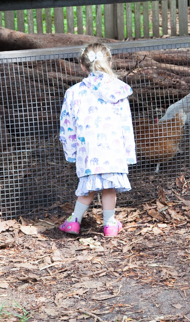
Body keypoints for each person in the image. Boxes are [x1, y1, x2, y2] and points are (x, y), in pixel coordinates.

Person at [58, 43, 136, 237]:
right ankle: (109, 225)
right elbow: (126, 124)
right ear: (109, 62)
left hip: (88, 150)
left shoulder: (74, 92)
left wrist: (71, 152)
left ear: (83, 67)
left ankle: (74, 222)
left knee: (87, 188)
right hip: (114, 150)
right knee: (109, 188)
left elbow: (67, 126)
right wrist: (128, 153)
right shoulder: (120, 91)